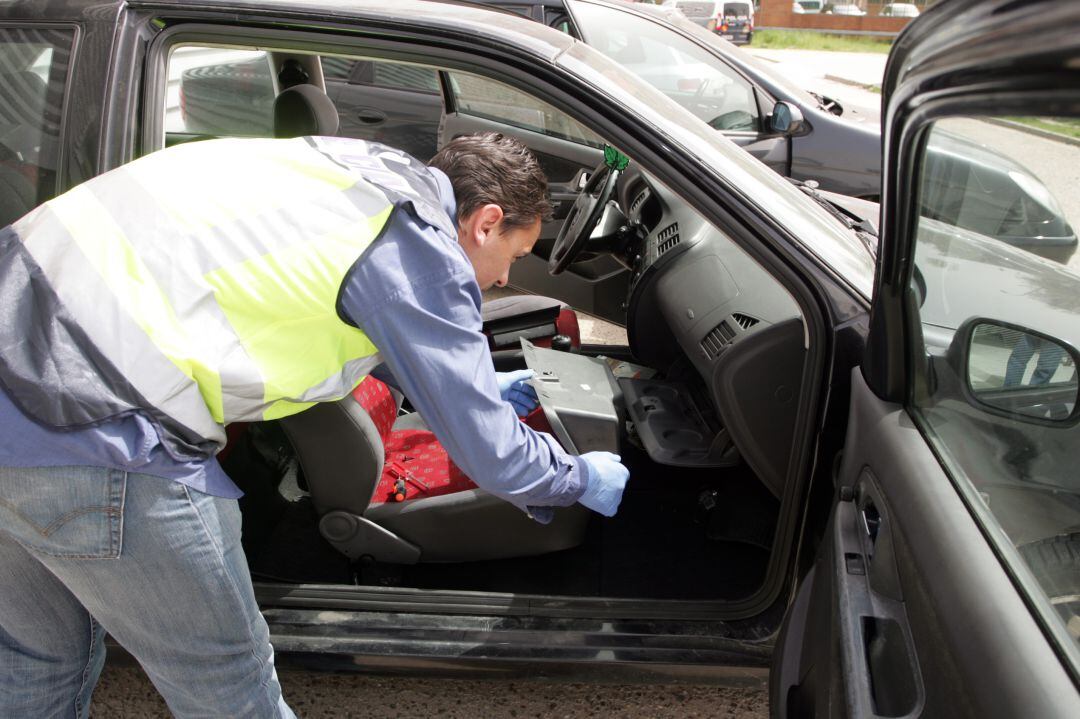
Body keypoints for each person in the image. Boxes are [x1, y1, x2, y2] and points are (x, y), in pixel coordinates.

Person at [0, 132, 629, 717]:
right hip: (92, 431)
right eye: (512, 257)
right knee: (229, 683)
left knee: (40, 662)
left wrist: (480, 389)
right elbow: (494, 458)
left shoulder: (353, 176)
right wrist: (574, 478)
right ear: (486, 220)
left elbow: (325, 301)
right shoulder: (416, 240)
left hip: (18, 389)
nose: (504, 279)